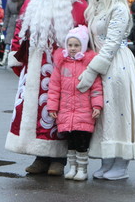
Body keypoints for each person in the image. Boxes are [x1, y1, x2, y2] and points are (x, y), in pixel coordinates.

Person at [5, 0, 88, 176]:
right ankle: (39, 156)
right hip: (35, 64)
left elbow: (85, 37)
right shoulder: (33, 0)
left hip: (65, 67)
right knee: (34, 110)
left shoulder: (79, 5)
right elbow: (20, 31)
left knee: (60, 111)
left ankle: (59, 159)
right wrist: (16, 56)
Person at [80, 0, 135, 180]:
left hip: (117, 64)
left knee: (120, 112)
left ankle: (121, 163)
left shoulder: (118, 8)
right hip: (100, 62)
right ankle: (107, 159)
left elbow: (111, 43)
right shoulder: (95, 7)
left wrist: (92, 70)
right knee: (103, 114)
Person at [47, 25, 103, 181]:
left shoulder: (88, 65)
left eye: (76, 45)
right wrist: (52, 106)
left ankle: (82, 169)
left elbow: (96, 87)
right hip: (65, 111)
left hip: (83, 111)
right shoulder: (61, 64)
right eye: (70, 45)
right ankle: (72, 167)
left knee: (82, 142)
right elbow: (54, 87)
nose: (73, 48)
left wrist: (97, 106)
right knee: (69, 142)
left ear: (83, 46)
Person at [0, 0, 24, 67]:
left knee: (19, 41)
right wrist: (4, 25)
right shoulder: (9, 1)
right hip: (11, 22)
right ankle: (4, 60)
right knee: (8, 41)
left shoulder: (22, 0)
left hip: (21, 22)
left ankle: (18, 59)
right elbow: (7, 14)